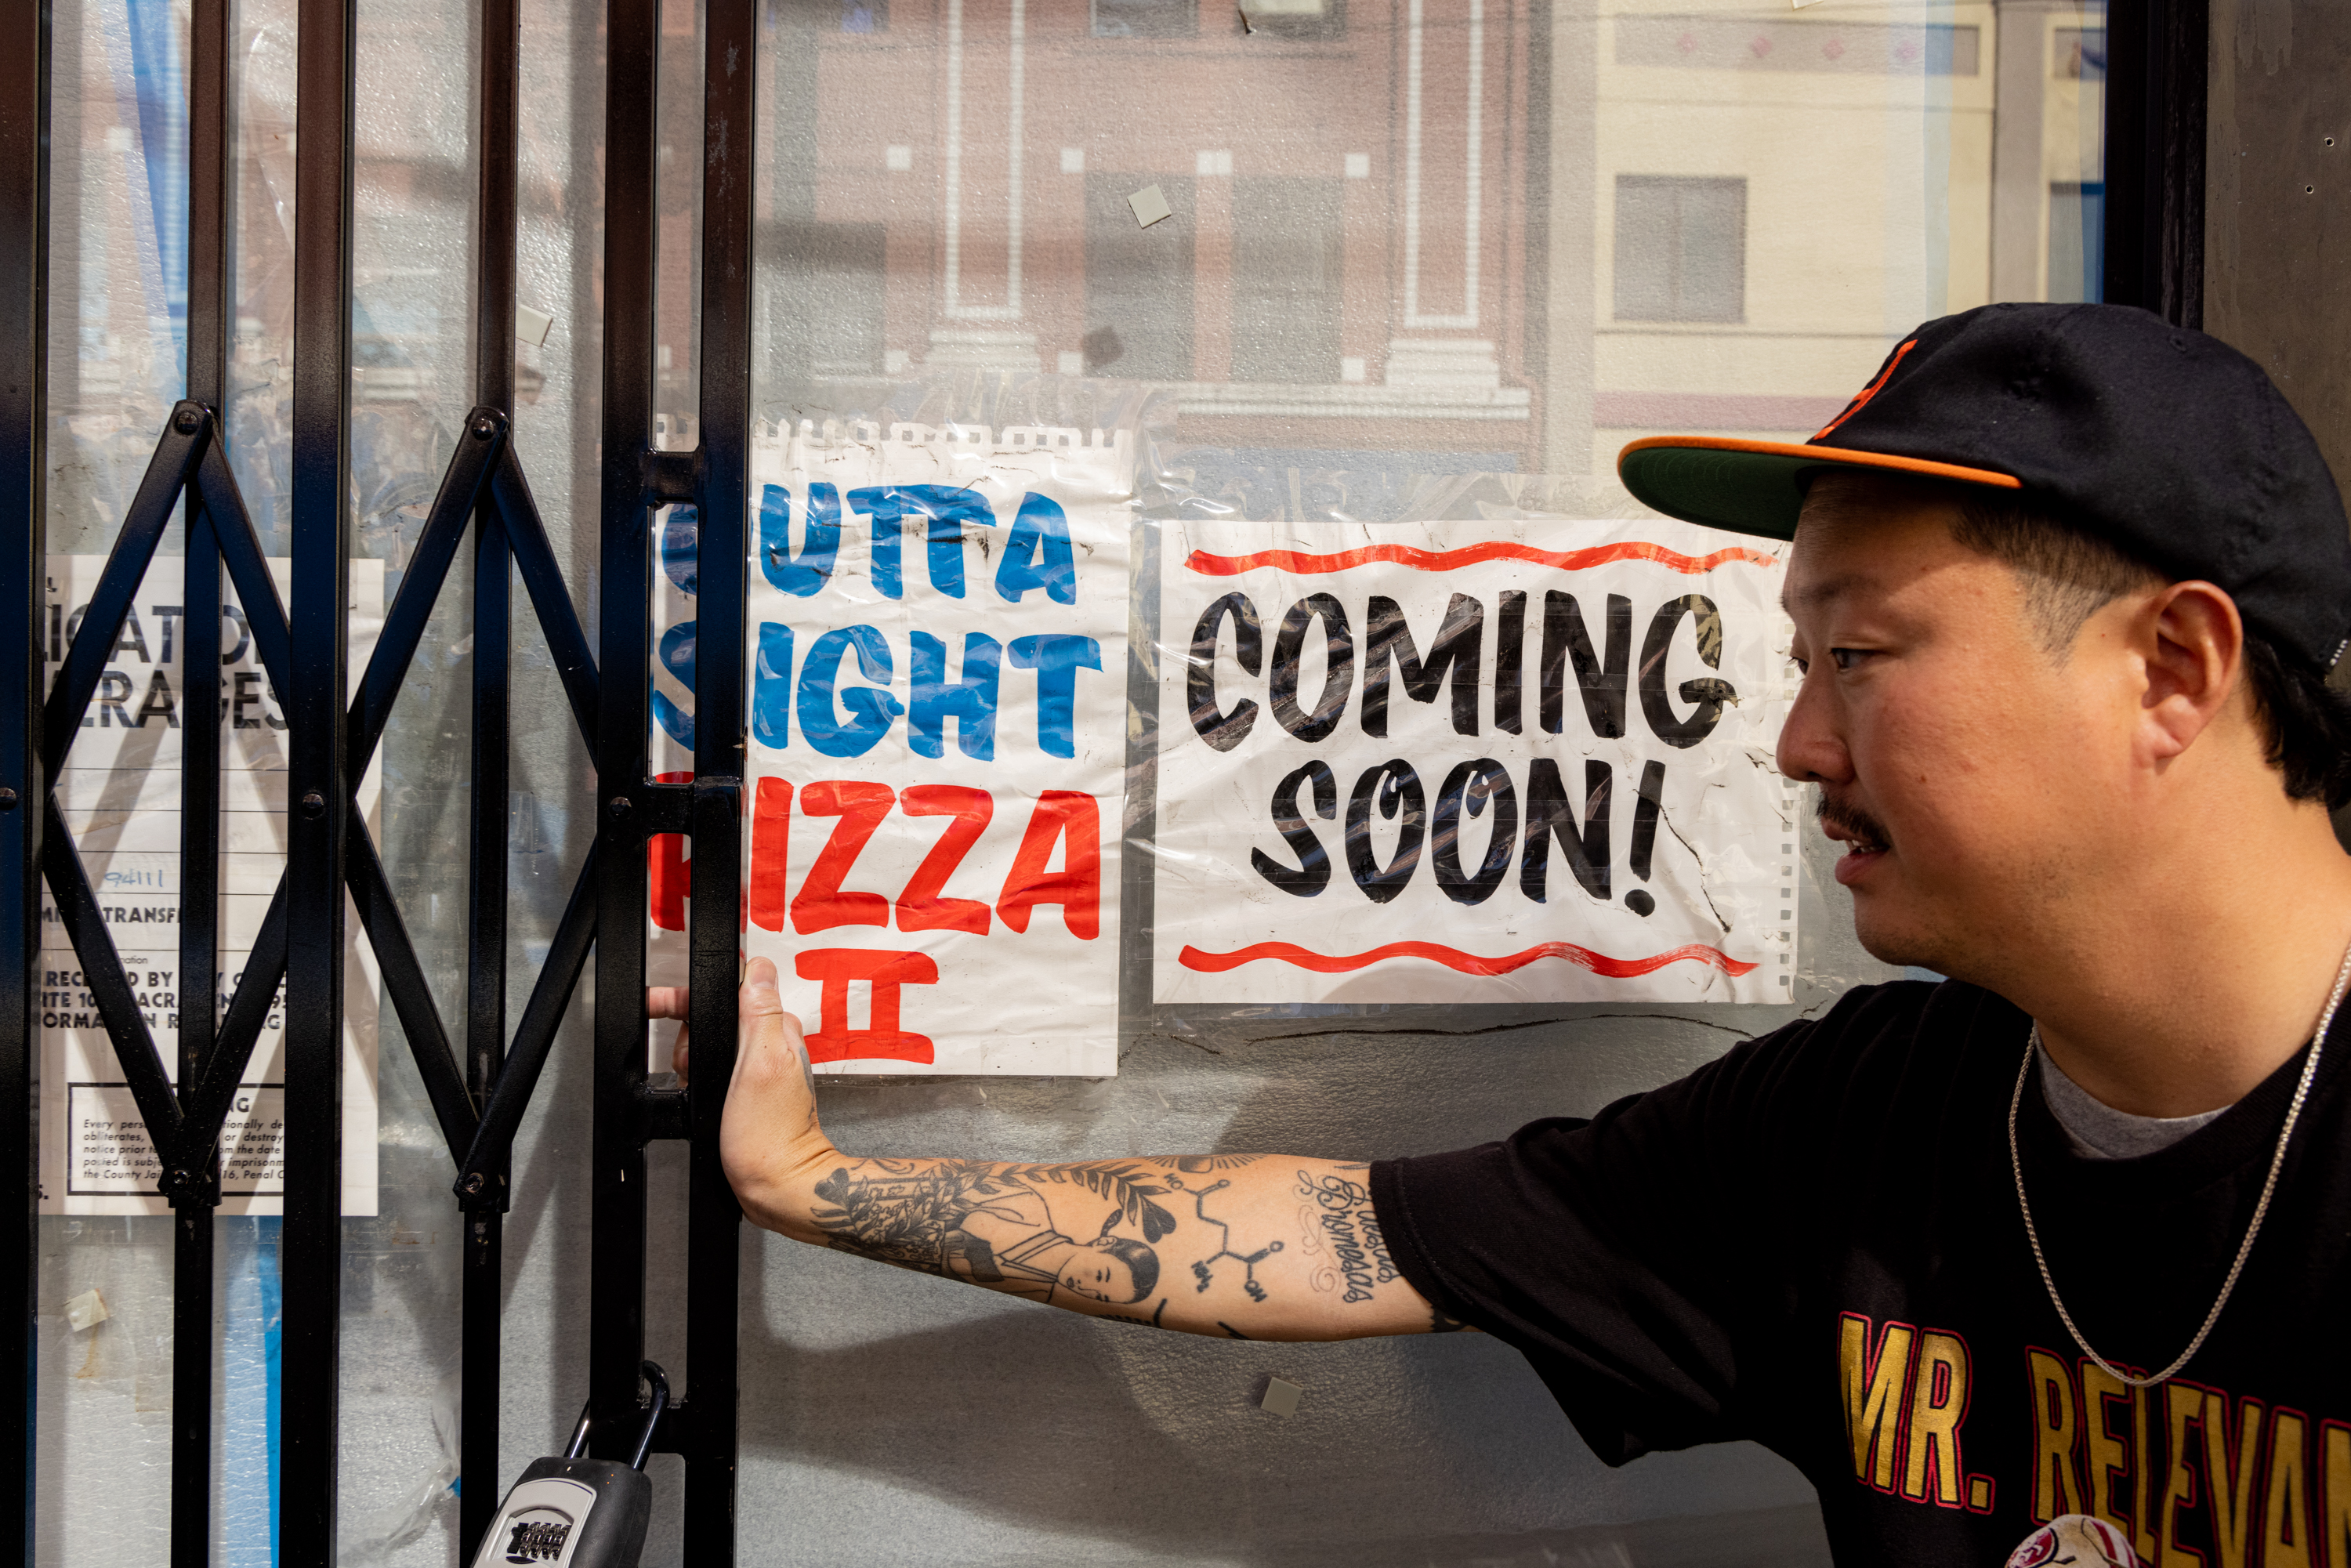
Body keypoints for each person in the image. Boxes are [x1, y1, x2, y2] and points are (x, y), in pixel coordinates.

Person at [668, 302, 2351, 1566]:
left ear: (2173, 670)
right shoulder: (1868, 1121)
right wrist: (819, 1182)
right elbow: (1359, 1231)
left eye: (1866, 654)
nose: (1797, 744)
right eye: (1800, 660)